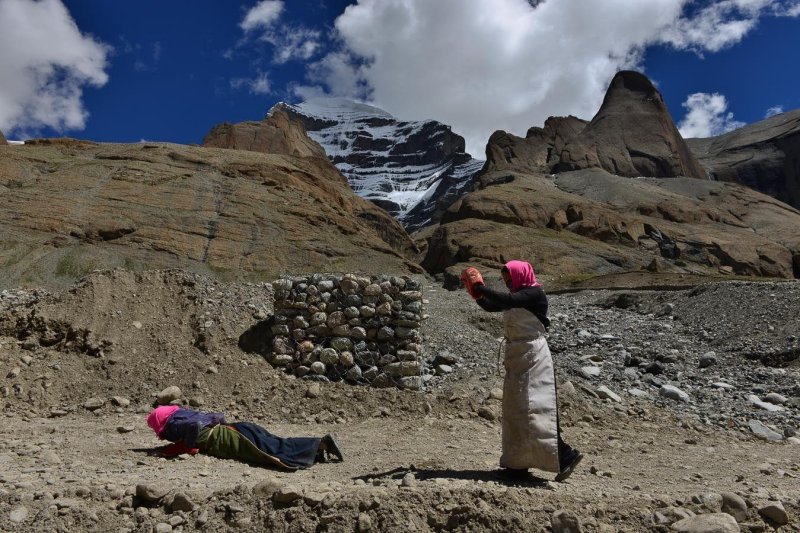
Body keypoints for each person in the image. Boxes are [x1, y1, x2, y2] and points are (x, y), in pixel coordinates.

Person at [461, 260, 582, 482]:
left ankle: (566, 456)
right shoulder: (518, 296)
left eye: (510, 280)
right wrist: (477, 297)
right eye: (506, 282)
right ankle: (517, 465)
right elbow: (492, 305)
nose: (508, 285)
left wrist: (479, 287)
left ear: (520, 276)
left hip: (534, 358)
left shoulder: (533, 294)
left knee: (537, 407)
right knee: (516, 410)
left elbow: (506, 300)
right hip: (518, 356)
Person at [146, 406, 343, 470]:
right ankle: (318, 451)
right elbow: (218, 416)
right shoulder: (188, 414)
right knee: (277, 443)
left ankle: (321, 443)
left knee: (272, 454)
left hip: (233, 438)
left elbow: (192, 428)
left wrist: (188, 447)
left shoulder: (174, 424)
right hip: (239, 428)